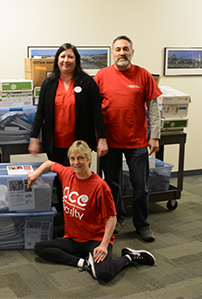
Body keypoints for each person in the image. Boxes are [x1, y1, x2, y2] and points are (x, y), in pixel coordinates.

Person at [27, 140, 155, 281]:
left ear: (89, 159)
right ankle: (84, 263)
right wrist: (36, 173)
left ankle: (129, 258)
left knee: (103, 274)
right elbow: (50, 164)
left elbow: (112, 218)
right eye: (72, 159)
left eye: (81, 158)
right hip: (73, 240)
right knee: (40, 248)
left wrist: (104, 245)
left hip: (95, 240)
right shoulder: (67, 173)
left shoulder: (100, 186)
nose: (76, 163)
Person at [94, 35, 162, 242]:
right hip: (110, 142)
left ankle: (142, 224)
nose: (122, 52)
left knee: (141, 186)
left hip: (137, 142)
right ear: (112, 53)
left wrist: (155, 136)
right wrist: (97, 138)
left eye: (126, 49)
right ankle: (118, 219)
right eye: (118, 49)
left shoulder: (143, 75)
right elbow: (94, 110)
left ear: (132, 51)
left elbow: (153, 108)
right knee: (112, 185)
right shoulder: (101, 76)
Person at [29, 43, 108, 214]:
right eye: (62, 56)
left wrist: (101, 139)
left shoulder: (88, 83)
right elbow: (40, 112)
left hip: (79, 145)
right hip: (56, 144)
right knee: (60, 182)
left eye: (70, 57)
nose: (66, 60)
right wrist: (34, 137)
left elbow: (97, 112)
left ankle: (84, 216)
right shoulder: (48, 84)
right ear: (57, 60)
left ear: (76, 60)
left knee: (80, 181)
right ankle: (66, 219)